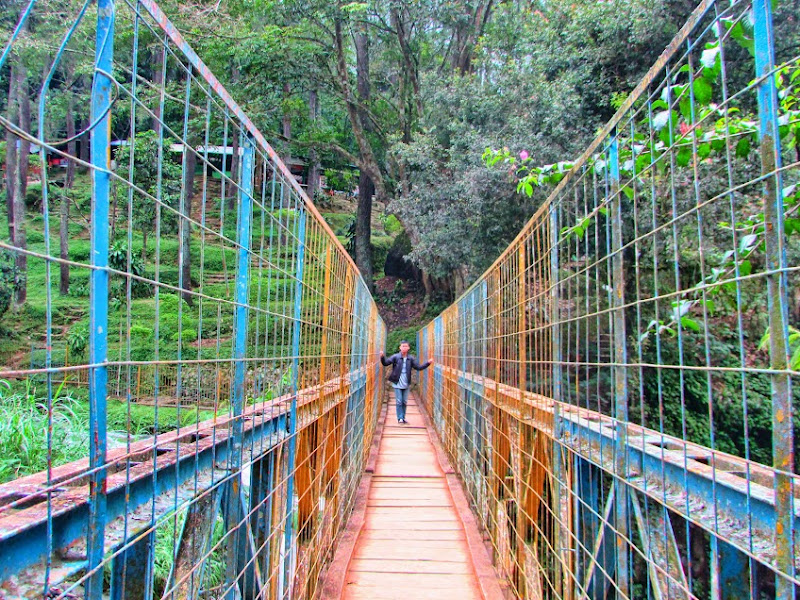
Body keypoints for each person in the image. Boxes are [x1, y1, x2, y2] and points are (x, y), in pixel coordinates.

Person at [380, 341, 433, 424]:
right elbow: (385, 363)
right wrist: (382, 357)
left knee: (404, 401)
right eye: (402, 346)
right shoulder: (395, 357)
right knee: (399, 401)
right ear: (400, 347)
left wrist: (428, 363)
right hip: (397, 382)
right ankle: (400, 418)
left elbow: (418, 367)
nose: (404, 348)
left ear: (408, 348)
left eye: (406, 346)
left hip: (406, 383)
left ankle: (403, 417)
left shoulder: (410, 358)